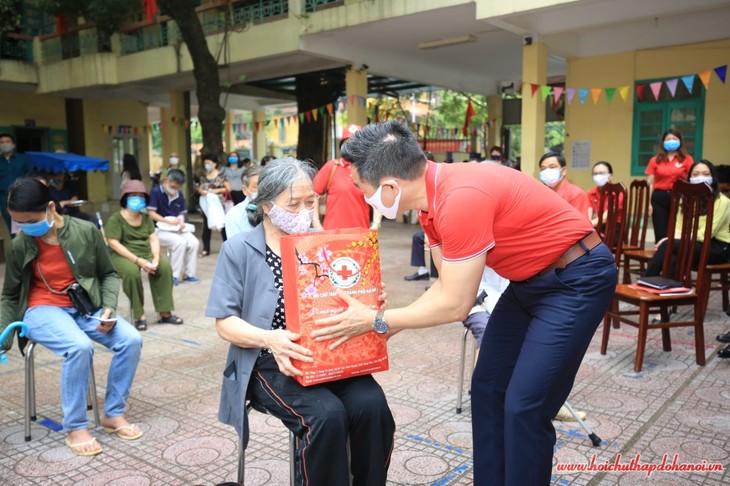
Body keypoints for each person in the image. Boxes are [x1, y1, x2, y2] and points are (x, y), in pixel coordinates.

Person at [312, 121, 617, 486]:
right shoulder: (430, 203)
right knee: (487, 387)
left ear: (390, 186)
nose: (364, 199)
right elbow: (448, 286)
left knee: (524, 406)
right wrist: (383, 325)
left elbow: (457, 304)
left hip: (575, 279)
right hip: (527, 283)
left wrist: (378, 320)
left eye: (363, 190)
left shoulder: (460, 197)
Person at [206, 157, 395, 485]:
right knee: (326, 416)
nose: (304, 211)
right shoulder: (238, 250)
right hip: (271, 361)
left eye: (311, 202)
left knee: (373, 408)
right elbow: (225, 323)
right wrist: (271, 339)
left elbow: (348, 302)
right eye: (293, 204)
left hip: (328, 355)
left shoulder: (327, 247)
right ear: (266, 205)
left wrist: (370, 303)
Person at [0, 177, 143, 457]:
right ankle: (75, 426)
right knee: (78, 347)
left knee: (131, 339)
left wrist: (109, 308)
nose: (24, 228)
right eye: (18, 222)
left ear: (51, 207)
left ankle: (112, 413)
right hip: (41, 310)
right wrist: (2, 338)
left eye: (29, 220)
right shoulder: (20, 245)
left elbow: (109, 275)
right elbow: (10, 295)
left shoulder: (85, 231)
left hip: (85, 307)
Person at [106, 180, 182, 331]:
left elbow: (153, 238)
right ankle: (139, 315)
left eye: (141, 196)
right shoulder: (115, 219)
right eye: (133, 195)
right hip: (123, 255)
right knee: (132, 272)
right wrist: (137, 261)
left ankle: (165, 312)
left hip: (145, 252)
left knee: (164, 267)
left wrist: (155, 257)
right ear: (125, 198)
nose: (137, 199)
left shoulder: (146, 218)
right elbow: (113, 243)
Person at [643, 160, 730, 277]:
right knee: (673, 257)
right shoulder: (686, 200)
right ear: (689, 178)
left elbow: (705, 235)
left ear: (713, 178)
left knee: (668, 245)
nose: (700, 177)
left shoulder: (723, 201)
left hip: (717, 248)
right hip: (694, 244)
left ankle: (645, 282)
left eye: (706, 174)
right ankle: (669, 291)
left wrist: (670, 241)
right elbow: (678, 228)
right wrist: (672, 239)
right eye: (696, 174)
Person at [312, 124, 382, 231]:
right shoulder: (332, 167)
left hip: (360, 235)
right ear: (342, 146)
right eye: (348, 142)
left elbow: (377, 199)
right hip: (332, 235)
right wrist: (316, 223)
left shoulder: (369, 169)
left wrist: (376, 223)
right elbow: (313, 194)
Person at [147, 169, 200, 286]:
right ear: (166, 180)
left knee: (193, 242)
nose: (175, 189)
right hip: (159, 229)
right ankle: (172, 276)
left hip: (176, 228)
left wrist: (180, 222)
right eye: (173, 186)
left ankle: (188, 275)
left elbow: (181, 213)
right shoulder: (156, 192)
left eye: (177, 187)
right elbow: (151, 213)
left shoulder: (179, 194)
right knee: (179, 242)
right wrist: (166, 221)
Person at [645, 129, 694, 242]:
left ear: (680, 141)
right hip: (659, 198)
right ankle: (660, 254)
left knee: (677, 229)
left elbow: (691, 181)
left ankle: (675, 256)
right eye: (668, 139)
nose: (671, 141)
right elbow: (650, 182)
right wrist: (648, 203)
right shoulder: (655, 160)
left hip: (680, 197)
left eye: (674, 139)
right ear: (663, 142)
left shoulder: (687, 159)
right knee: (660, 229)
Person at [539, 151, 590, 220]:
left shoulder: (576, 194)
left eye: (552, 167)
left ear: (563, 171)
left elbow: (578, 225)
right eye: (543, 168)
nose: (547, 171)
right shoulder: (541, 193)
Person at [195, 154, 229, 256]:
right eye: (205, 163)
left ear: (215, 164)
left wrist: (215, 191)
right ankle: (206, 248)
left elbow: (228, 188)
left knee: (222, 224)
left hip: (219, 203)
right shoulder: (203, 176)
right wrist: (202, 192)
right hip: (207, 204)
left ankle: (227, 247)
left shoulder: (221, 175)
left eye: (209, 163)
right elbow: (199, 188)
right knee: (206, 226)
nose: (207, 165)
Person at [586, 161, 624, 241]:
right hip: (595, 227)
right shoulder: (591, 193)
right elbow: (587, 215)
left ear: (610, 176)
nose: (598, 176)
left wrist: (586, 226)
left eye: (602, 173)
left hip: (614, 229)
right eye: (595, 174)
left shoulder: (618, 193)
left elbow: (605, 218)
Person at [0, 132, 29, 235]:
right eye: (2, 142)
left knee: (26, 222)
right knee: (11, 226)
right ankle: (16, 247)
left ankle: (29, 246)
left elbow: (29, 175)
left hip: (22, 195)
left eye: (7, 142)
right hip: (4, 198)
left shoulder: (23, 159)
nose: (4, 144)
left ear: (13, 144)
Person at [224, 165, 260, 239]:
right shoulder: (234, 215)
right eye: (256, 186)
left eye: (266, 186)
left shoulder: (279, 209)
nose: (262, 190)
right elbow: (235, 247)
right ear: (245, 190)